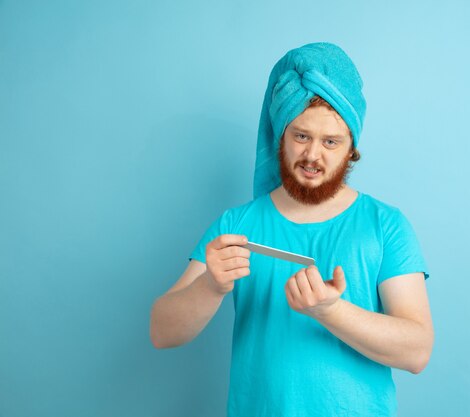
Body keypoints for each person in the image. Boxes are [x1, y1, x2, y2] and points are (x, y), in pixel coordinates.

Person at [150, 42, 434, 417]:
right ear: (279, 138)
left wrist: (329, 311)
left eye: (330, 142)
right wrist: (210, 286)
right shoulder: (236, 226)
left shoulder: (385, 225)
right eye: (301, 136)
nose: (313, 156)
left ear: (352, 148)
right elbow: (162, 331)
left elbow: (416, 351)